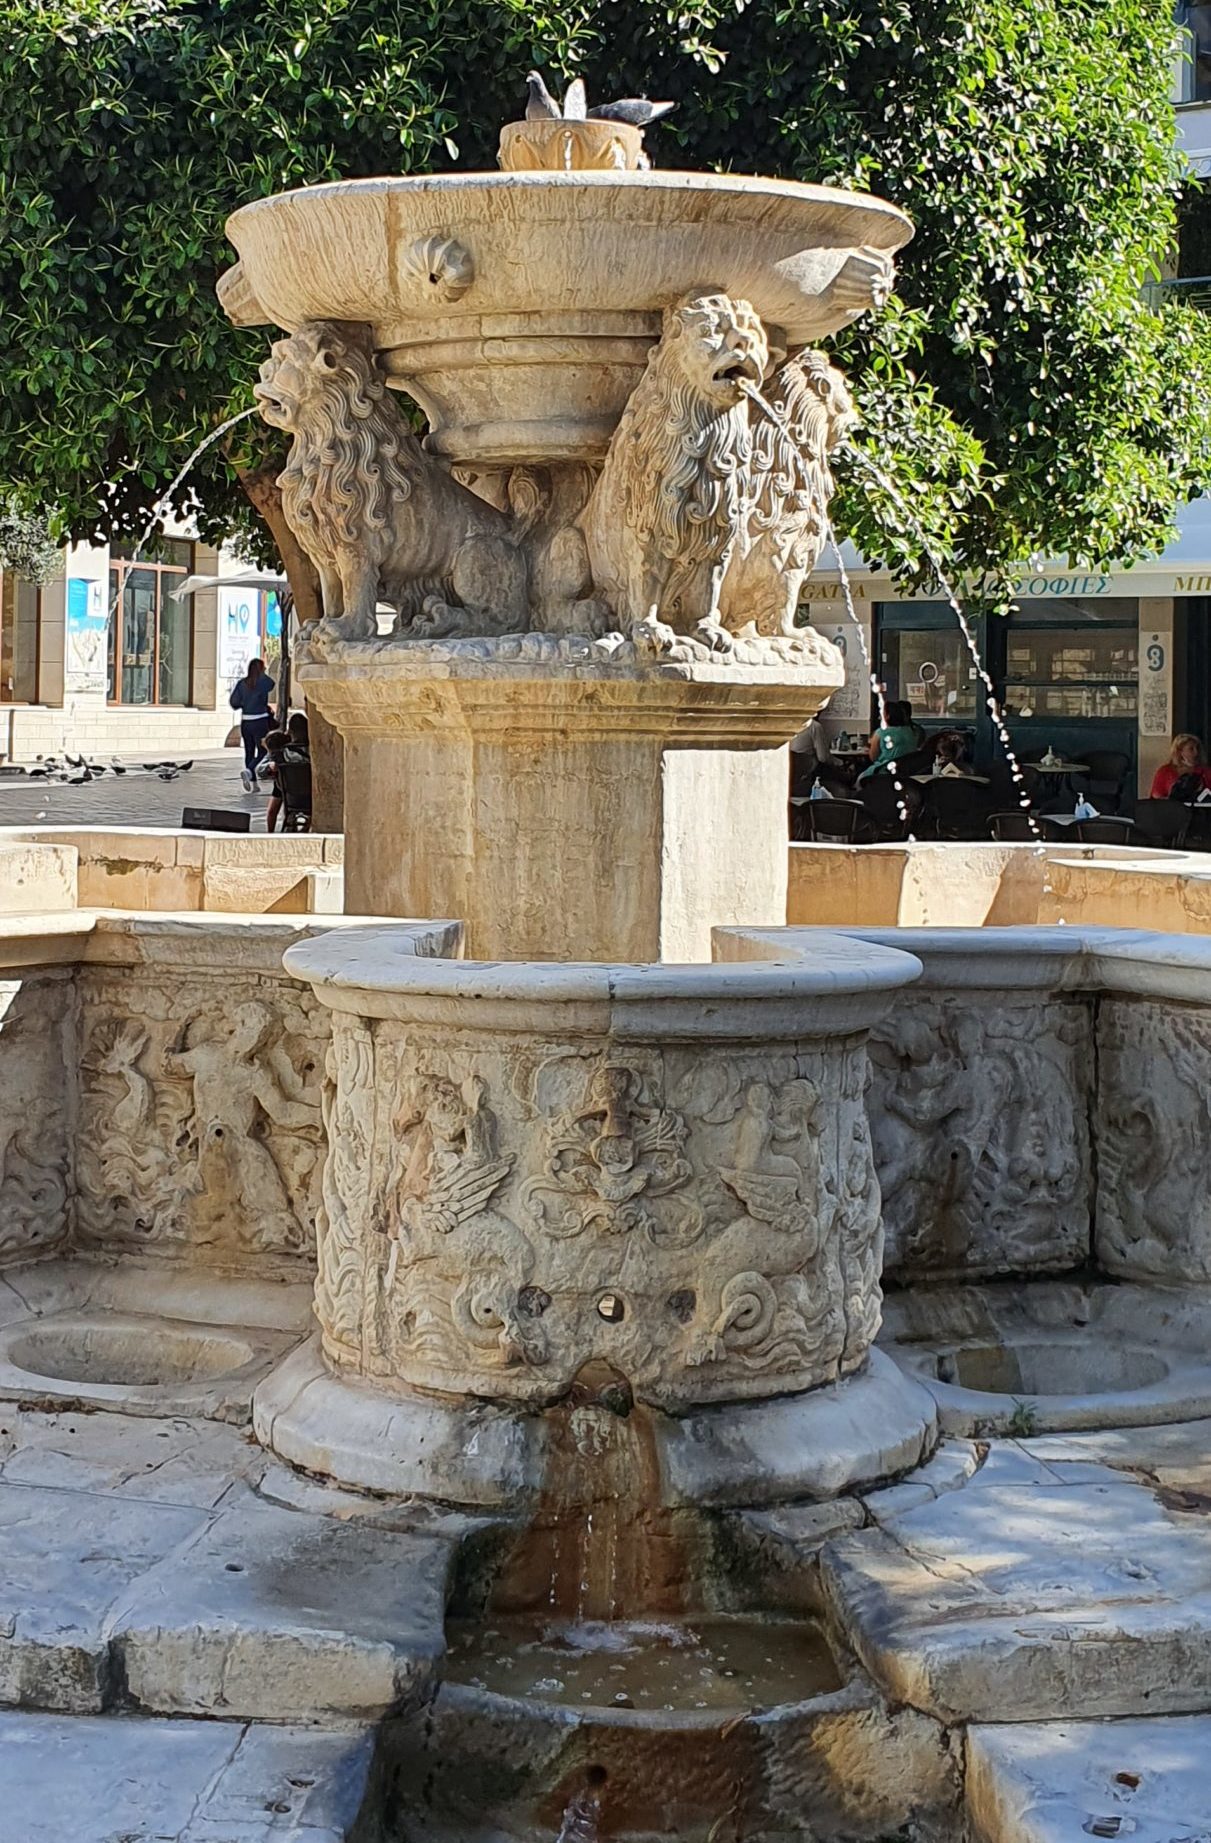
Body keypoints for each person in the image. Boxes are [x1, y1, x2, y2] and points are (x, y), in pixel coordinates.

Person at [229, 657, 276, 791]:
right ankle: (249, 770)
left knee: (249, 751)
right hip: (260, 721)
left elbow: (234, 703)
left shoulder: (242, 683)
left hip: (246, 722)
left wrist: (245, 703)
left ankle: (253, 784)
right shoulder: (263, 682)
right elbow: (272, 684)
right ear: (261, 669)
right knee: (263, 750)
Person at [858, 700, 918, 782]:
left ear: (887, 716)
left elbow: (873, 757)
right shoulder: (910, 731)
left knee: (860, 779)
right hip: (909, 772)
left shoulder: (881, 732)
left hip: (884, 772)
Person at [1150, 734, 1211, 801]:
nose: (1196, 752)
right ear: (1180, 751)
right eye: (1191, 749)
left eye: (1197, 748)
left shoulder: (1205, 771)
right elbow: (1156, 795)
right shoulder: (1165, 771)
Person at [789, 710, 834, 798]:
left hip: (789, 777)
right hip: (806, 776)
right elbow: (823, 758)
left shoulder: (786, 724)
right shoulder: (814, 726)